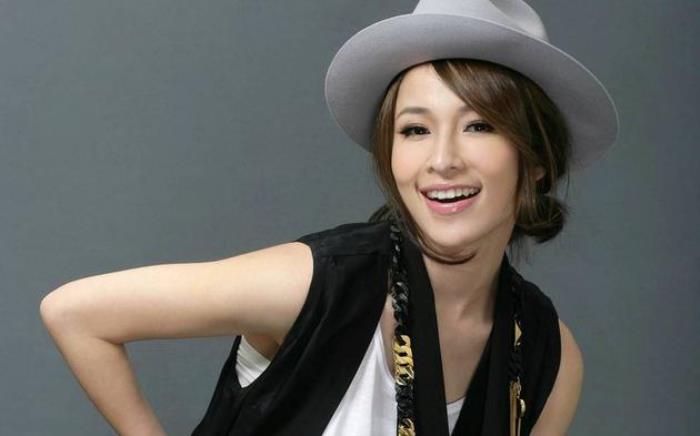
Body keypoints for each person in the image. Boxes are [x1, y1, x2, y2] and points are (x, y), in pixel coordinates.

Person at [39, 0, 619, 435]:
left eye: (479, 125)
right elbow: (76, 314)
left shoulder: (548, 354)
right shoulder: (321, 283)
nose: (442, 160)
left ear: (535, 160)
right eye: (415, 129)